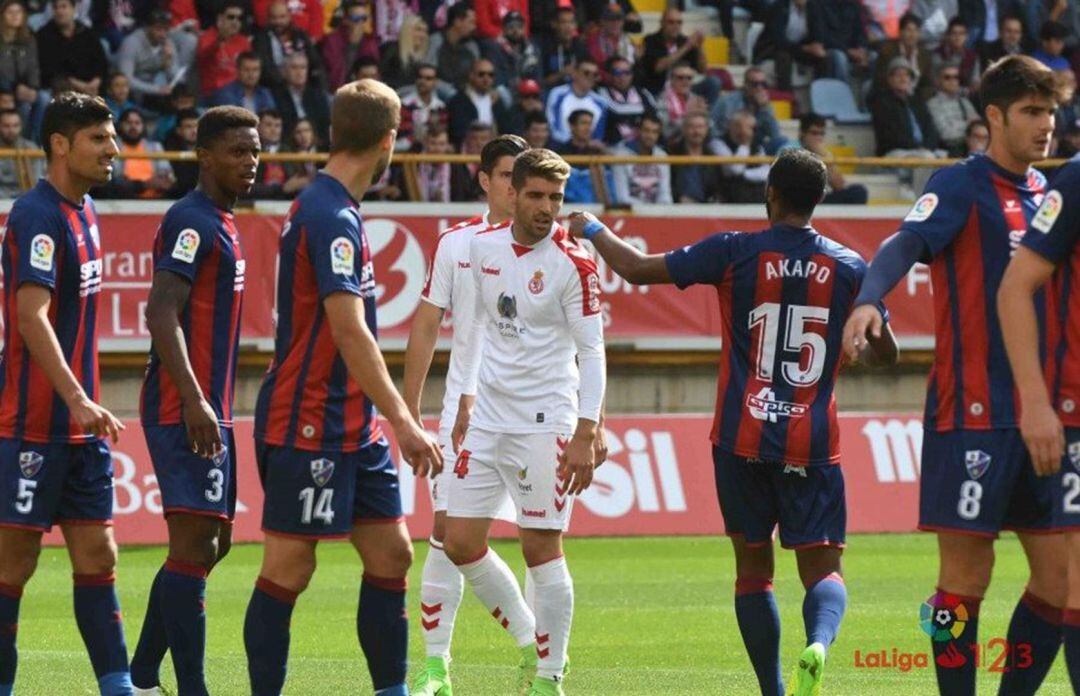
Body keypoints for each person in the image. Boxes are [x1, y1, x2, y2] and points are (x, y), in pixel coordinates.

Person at [568, 147, 897, 696]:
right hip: (812, 444)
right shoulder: (849, 268)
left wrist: (593, 227)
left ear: (770, 194)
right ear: (819, 200)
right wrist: (862, 344)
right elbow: (888, 355)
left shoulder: (734, 251)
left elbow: (636, 268)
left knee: (753, 572)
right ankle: (818, 642)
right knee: (823, 571)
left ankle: (773, 690)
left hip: (740, 437)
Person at [842, 55, 1067, 696]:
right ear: (994, 116)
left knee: (1061, 583)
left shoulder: (1054, 197)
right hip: (971, 412)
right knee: (964, 580)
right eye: (1030, 111)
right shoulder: (962, 185)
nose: (1046, 125)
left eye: (1050, 111)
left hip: (1045, 414)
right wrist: (870, 299)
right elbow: (905, 243)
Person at [244, 79, 442, 696]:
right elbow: (349, 329)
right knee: (290, 565)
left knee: (391, 555)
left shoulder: (332, 209)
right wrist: (405, 420)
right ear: (389, 142)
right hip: (308, 417)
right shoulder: (329, 216)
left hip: (354, 422)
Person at [445, 147, 607, 696]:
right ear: (511, 194)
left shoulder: (574, 263)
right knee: (459, 542)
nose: (546, 208)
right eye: (536, 195)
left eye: (555, 198)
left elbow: (593, 352)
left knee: (540, 548)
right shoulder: (482, 247)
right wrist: (467, 397)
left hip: (545, 422)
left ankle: (549, 676)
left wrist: (586, 430)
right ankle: (527, 638)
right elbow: (479, 326)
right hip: (488, 418)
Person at [0, 90, 132, 696]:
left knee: (99, 556)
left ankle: (117, 686)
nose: (113, 150)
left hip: (82, 430)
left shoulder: (86, 210)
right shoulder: (36, 215)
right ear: (59, 144)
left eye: (112, 138)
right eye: (98, 139)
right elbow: (31, 316)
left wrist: (83, 407)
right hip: (30, 424)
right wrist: (77, 397)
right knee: (13, 565)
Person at [128, 105, 259, 696]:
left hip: (212, 406)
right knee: (194, 543)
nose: (250, 162)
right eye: (237, 151)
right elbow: (160, 311)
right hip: (184, 404)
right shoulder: (191, 219)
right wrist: (192, 399)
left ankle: (140, 676)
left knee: (215, 543)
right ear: (205, 156)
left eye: (255, 151)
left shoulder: (223, 220)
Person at [404, 135, 535, 695]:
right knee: (445, 535)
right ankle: (438, 668)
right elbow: (427, 323)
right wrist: (408, 410)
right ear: (484, 180)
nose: (515, 187)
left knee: (541, 543)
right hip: (464, 417)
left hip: (532, 416)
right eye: (505, 175)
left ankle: (541, 652)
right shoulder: (457, 244)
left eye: (522, 177)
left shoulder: (554, 248)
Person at [998, 157, 1080, 696]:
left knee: (1058, 581)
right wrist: (1035, 401)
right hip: (1075, 411)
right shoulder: (1075, 180)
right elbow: (1015, 287)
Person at [96, 107, 174, 199]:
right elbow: (112, 181)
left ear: (143, 126)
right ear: (120, 125)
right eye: (129, 123)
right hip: (123, 201)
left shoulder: (155, 147)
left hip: (156, 200)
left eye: (137, 123)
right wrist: (143, 185)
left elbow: (166, 176)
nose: (133, 127)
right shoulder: (112, 147)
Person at [35, 0, 107, 96]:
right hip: (61, 89)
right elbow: (50, 70)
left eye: (64, 7)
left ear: (74, 9)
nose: (59, 11)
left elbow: (101, 63)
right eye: (56, 7)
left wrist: (96, 82)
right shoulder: (44, 36)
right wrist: (80, 85)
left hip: (91, 88)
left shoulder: (87, 33)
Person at [115, 8, 182, 112]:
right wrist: (156, 90)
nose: (162, 34)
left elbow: (176, 78)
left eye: (166, 29)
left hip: (157, 90)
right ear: (148, 27)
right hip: (136, 90)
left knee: (164, 80)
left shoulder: (168, 43)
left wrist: (168, 61)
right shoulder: (131, 43)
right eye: (158, 29)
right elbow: (126, 79)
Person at [711, 67, 787, 155]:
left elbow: (775, 134)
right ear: (745, 85)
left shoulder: (766, 105)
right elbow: (713, 127)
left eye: (763, 84)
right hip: (729, 143)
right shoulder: (727, 101)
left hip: (755, 144)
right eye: (755, 84)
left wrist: (764, 108)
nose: (760, 88)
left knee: (781, 142)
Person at [796, 112, 867, 205]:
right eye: (814, 133)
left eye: (821, 134)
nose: (818, 138)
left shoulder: (823, 154)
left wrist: (825, 157)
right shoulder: (791, 149)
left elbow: (839, 186)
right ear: (802, 133)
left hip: (817, 200)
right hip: (798, 200)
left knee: (858, 192)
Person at [252, 0, 323, 92]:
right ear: (268, 19)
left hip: (304, 87)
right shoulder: (261, 39)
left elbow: (315, 62)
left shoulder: (301, 35)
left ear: (289, 17)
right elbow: (265, 70)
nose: (278, 22)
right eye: (274, 18)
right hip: (274, 89)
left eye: (282, 17)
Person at [637, 7, 706, 97]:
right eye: (671, 22)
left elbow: (702, 70)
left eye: (679, 22)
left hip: (684, 87)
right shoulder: (650, 40)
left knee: (713, 83)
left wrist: (699, 47)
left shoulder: (684, 41)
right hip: (658, 88)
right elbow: (658, 67)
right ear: (662, 23)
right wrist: (687, 46)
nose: (676, 26)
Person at [271, 51, 330, 148]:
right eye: (294, 67)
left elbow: (324, 124)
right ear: (284, 71)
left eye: (303, 67)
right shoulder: (275, 95)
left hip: (316, 147)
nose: (299, 72)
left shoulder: (317, 95)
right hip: (286, 148)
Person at [447, 58, 511, 147]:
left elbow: (505, 129)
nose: (486, 78)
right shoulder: (459, 101)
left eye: (490, 75)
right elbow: (457, 132)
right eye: (481, 74)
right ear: (471, 75)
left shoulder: (497, 102)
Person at [611, 112, 671, 206]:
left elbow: (665, 195)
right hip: (630, 212)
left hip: (656, 212)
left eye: (654, 132)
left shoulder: (662, 156)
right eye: (646, 130)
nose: (650, 136)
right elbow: (622, 198)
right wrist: (648, 209)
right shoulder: (620, 156)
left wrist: (659, 210)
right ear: (638, 131)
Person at [874, 12, 935, 102]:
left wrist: (917, 98)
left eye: (916, 30)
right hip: (892, 98)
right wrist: (900, 94)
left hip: (916, 99)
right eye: (908, 30)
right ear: (900, 32)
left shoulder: (925, 54)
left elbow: (929, 84)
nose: (912, 35)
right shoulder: (887, 52)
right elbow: (881, 81)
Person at [196, 2, 252, 99]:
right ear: (220, 19)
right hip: (215, 92)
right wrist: (219, 40)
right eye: (231, 17)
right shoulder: (207, 37)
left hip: (240, 91)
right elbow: (203, 56)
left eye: (239, 18)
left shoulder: (243, 41)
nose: (235, 22)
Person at [545, 58, 607, 145]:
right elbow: (552, 126)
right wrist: (571, 144)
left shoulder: (601, 102)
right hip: (560, 146)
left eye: (595, 74)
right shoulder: (557, 94)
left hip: (588, 149)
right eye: (586, 73)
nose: (591, 77)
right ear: (574, 74)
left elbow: (598, 134)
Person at [599, 55, 657, 146]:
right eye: (617, 72)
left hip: (641, 147)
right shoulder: (601, 94)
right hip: (611, 148)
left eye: (627, 72)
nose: (622, 77)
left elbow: (653, 119)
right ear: (609, 75)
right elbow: (613, 115)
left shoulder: (644, 94)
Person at [321, 0, 379, 91]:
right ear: (345, 20)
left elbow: (372, 71)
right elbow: (333, 73)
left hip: (364, 90)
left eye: (363, 18)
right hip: (335, 91)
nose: (360, 22)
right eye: (355, 18)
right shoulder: (332, 41)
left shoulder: (370, 42)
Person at [926, 62, 979, 156]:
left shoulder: (964, 102)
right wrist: (968, 124)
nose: (952, 81)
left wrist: (958, 126)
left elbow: (978, 126)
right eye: (947, 77)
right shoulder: (933, 104)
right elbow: (947, 135)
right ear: (938, 80)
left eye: (956, 77)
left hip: (971, 149)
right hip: (950, 152)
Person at [484, 10, 540, 93]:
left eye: (519, 27)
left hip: (528, 92)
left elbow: (538, 77)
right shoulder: (495, 48)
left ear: (524, 29)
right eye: (511, 27)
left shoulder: (532, 49)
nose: (515, 30)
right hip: (505, 91)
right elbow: (497, 79)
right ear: (503, 29)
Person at [396, 62, 447, 152]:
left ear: (436, 82)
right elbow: (401, 135)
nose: (423, 81)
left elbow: (442, 134)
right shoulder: (404, 105)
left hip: (434, 154)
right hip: (407, 154)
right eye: (420, 77)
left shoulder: (440, 107)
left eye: (428, 78)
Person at [536, 7, 587, 90]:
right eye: (563, 22)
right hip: (551, 93)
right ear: (554, 24)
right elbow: (539, 83)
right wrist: (561, 74)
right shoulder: (544, 48)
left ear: (576, 25)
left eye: (571, 22)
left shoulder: (580, 47)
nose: (568, 27)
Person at [211, 52, 276, 113]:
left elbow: (271, 118)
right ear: (238, 71)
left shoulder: (264, 93)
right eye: (246, 70)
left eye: (255, 70)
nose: (251, 74)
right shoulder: (225, 94)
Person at [379, 12, 429, 89]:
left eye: (425, 31)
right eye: (418, 30)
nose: (423, 35)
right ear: (407, 30)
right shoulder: (391, 49)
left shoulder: (421, 56)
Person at [0, 107, 42, 196]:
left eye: (15, 125)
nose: (11, 130)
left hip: (24, 197)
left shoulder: (31, 149)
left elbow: (36, 181)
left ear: (21, 126)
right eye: (6, 126)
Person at [162, 107, 199, 197]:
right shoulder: (168, 150)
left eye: (197, 126)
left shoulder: (209, 149)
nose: (194, 131)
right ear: (178, 131)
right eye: (188, 127)